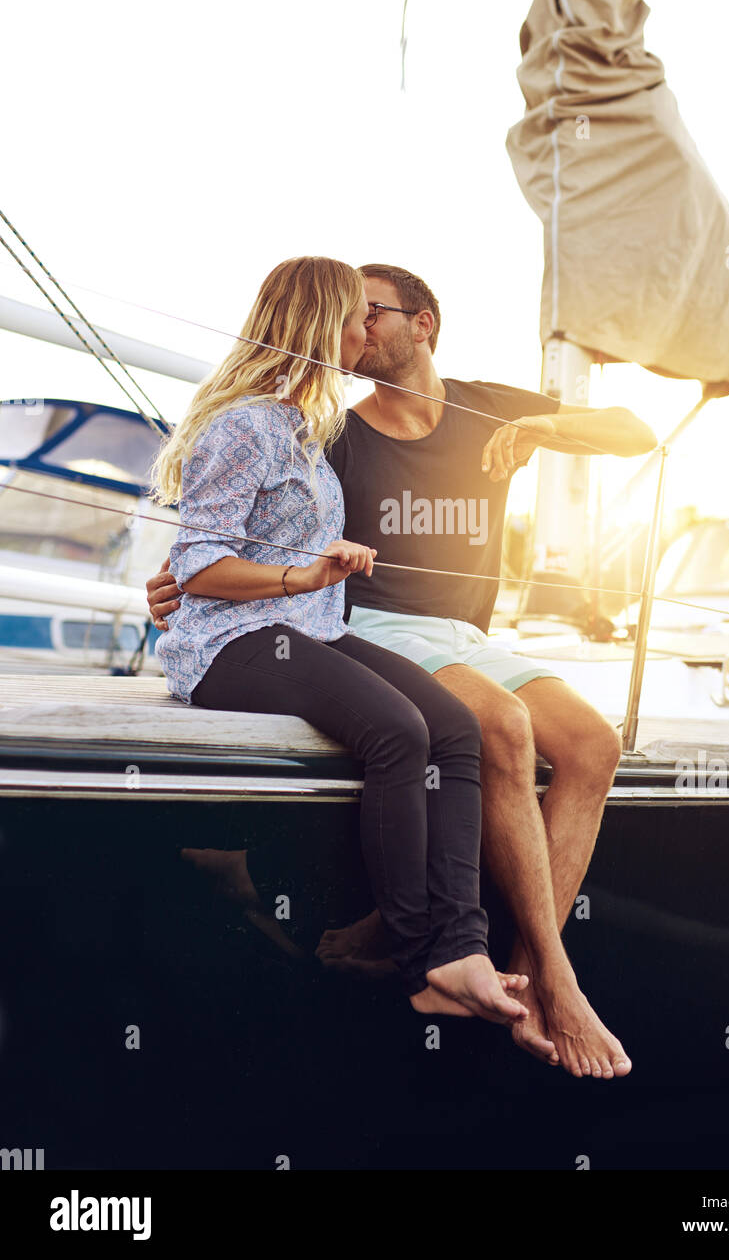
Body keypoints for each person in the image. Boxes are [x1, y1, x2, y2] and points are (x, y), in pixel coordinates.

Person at [149, 263, 655, 1079]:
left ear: (422, 325)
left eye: (374, 313)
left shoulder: (486, 406)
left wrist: (544, 433)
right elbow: (235, 536)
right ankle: (548, 989)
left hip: (463, 634)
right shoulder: (330, 430)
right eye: (352, 316)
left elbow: (634, 430)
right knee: (492, 726)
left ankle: (518, 966)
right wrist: (182, 583)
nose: (363, 330)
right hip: (371, 622)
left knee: (593, 744)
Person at [148, 254, 529, 1029]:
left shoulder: (303, 426)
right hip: (233, 644)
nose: (370, 331)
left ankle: (463, 947)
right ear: (324, 326)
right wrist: (303, 576)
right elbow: (200, 566)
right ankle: (425, 956)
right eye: (360, 317)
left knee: (452, 728)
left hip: (307, 627)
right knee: (396, 731)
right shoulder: (248, 423)